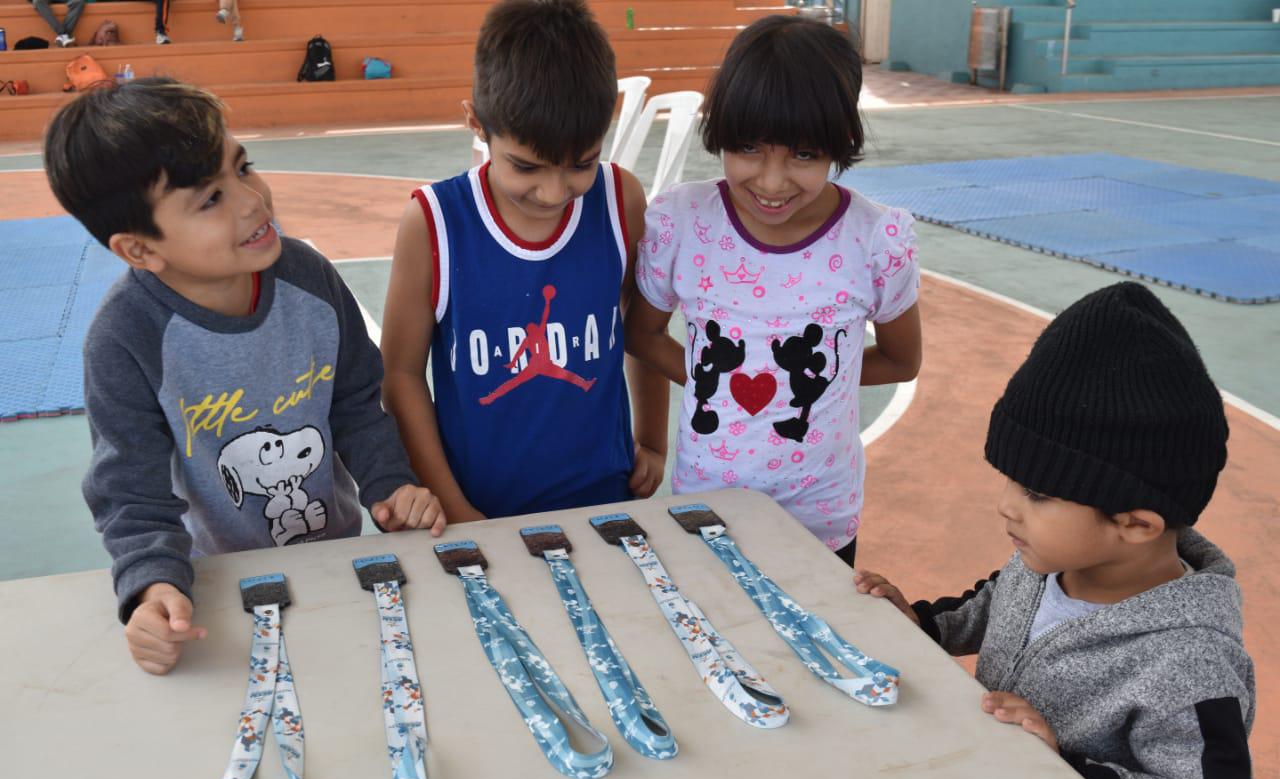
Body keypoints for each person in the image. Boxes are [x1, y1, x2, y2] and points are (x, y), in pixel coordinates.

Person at [855, 282, 1253, 779]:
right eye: (1011, 480)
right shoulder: (1051, 561)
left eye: (1037, 493)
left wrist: (1061, 767)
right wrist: (926, 625)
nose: (1005, 506)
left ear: (1135, 523)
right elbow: (995, 601)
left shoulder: (1190, 662)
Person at [43, 78, 446, 675]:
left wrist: (390, 488)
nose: (252, 199)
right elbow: (129, 491)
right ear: (139, 250)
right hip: (217, 585)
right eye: (210, 199)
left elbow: (358, 402)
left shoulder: (307, 277)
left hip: (336, 558)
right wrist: (152, 587)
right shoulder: (125, 337)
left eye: (244, 168)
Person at [624, 15, 922, 566]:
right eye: (749, 148)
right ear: (720, 132)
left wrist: (810, 385)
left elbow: (903, 361)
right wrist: (717, 379)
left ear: (842, 142)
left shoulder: (877, 239)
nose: (772, 180)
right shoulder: (680, 221)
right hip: (705, 508)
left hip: (821, 518)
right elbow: (641, 334)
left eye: (804, 154)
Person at [381, 0, 668, 523]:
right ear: (476, 122)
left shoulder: (620, 199)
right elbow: (400, 374)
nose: (554, 191)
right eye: (526, 166)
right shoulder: (434, 221)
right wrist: (454, 505)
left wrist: (652, 438)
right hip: (479, 512)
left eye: (582, 163)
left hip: (606, 500)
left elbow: (641, 324)